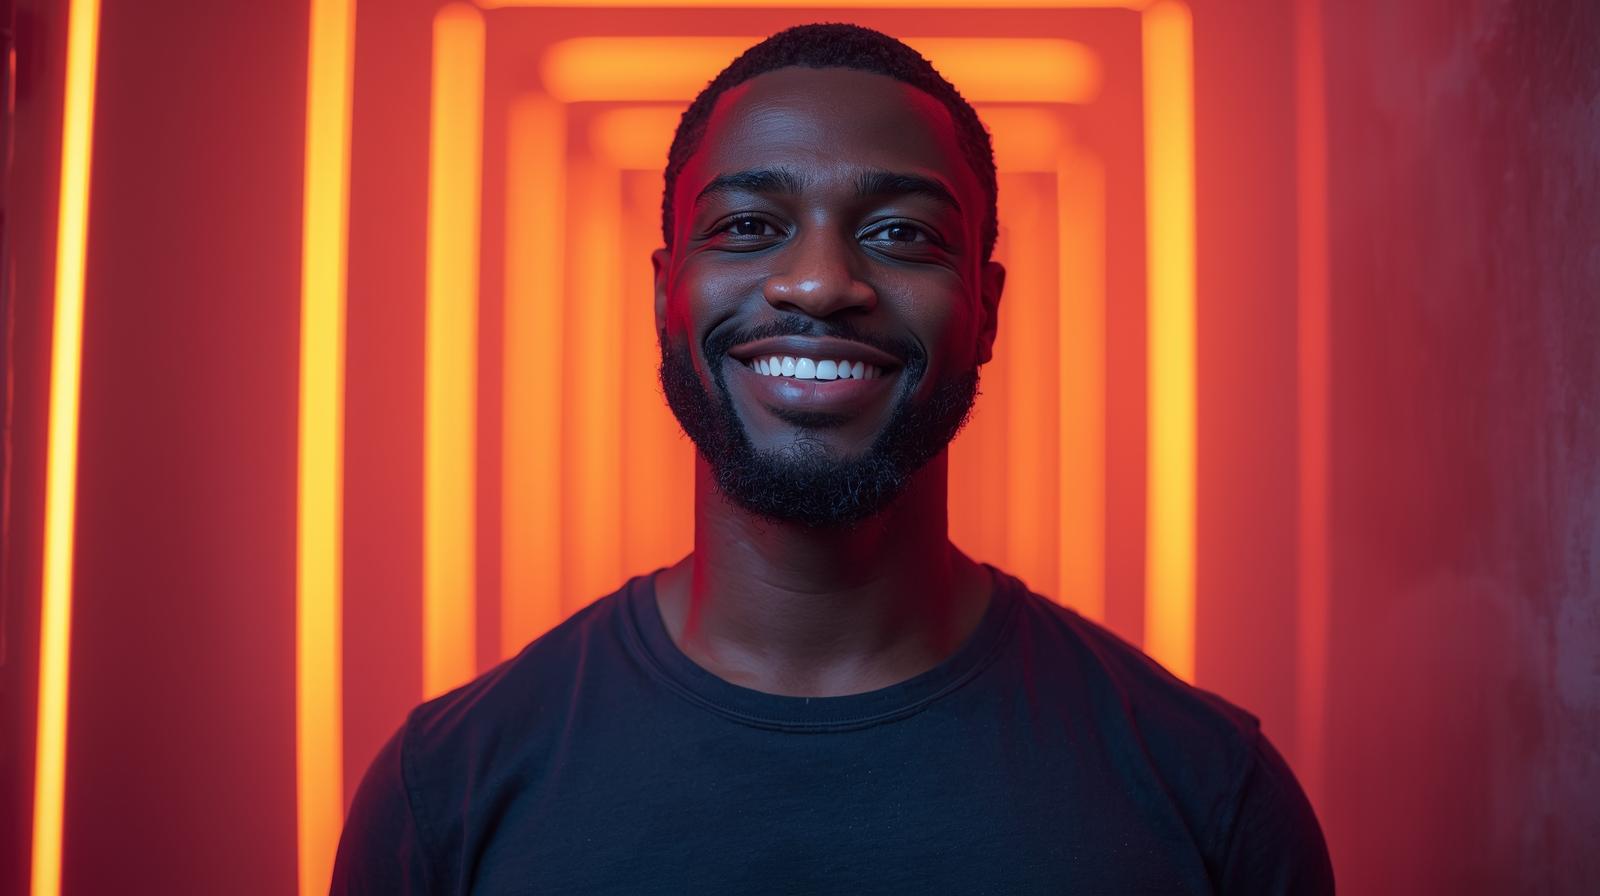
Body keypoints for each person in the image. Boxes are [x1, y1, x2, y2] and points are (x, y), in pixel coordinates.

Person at [331, 23, 1334, 894]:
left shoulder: (1210, 795)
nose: (818, 282)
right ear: (663, 296)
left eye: (900, 232)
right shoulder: (444, 794)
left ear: (986, 307)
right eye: (748, 226)